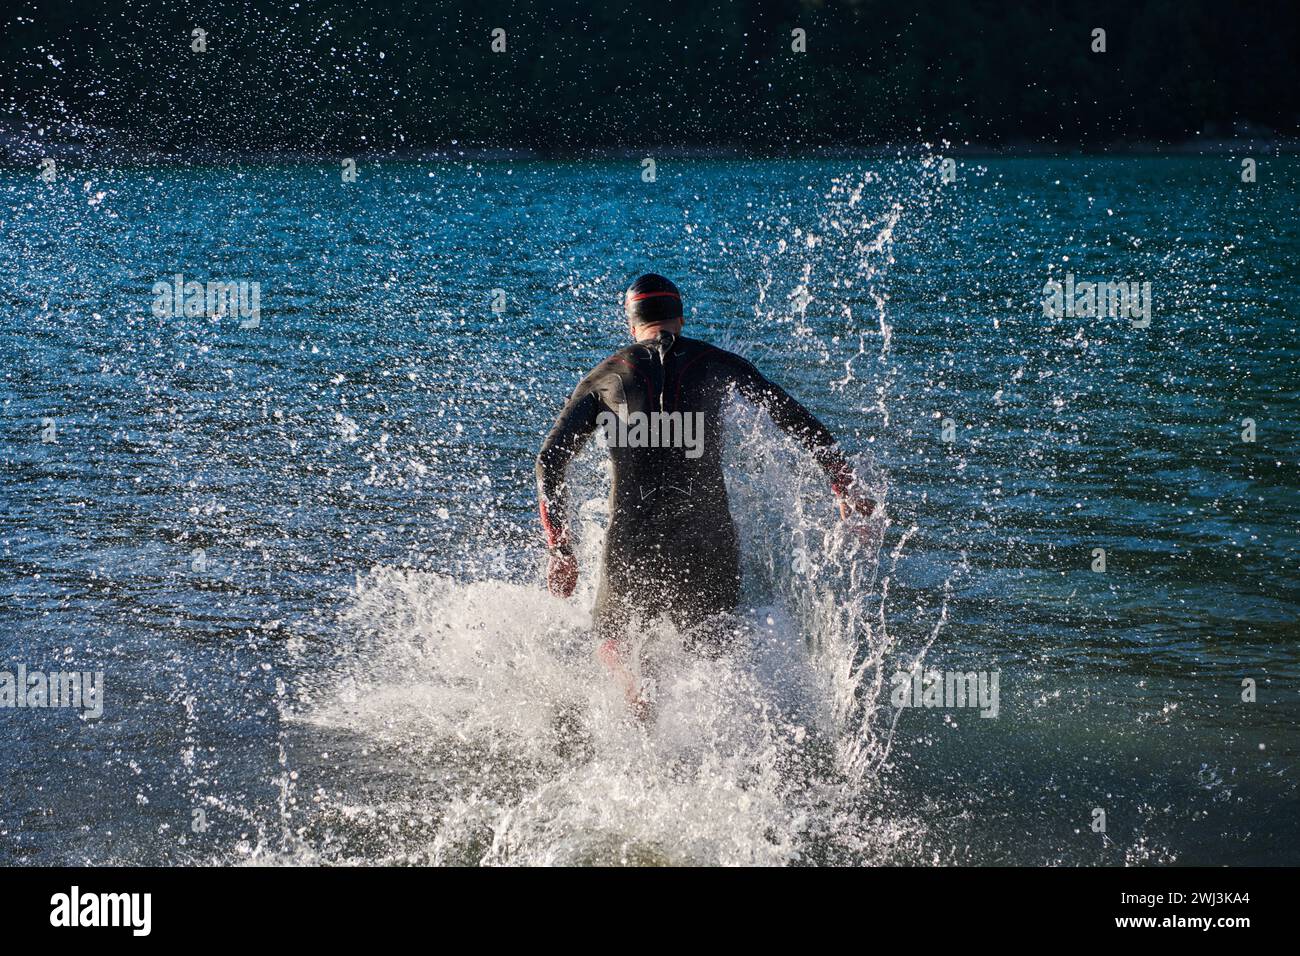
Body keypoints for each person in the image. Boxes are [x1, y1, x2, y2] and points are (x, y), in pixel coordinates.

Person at [536, 273, 875, 713]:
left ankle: (637, 704)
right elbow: (792, 416)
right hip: (706, 538)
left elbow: (549, 461)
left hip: (632, 541)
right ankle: (720, 747)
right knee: (713, 652)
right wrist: (841, 480)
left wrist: (561, 549)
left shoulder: (606, 375)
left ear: (631, 323)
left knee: (612, 640)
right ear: (680, 316)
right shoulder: (717, 363)